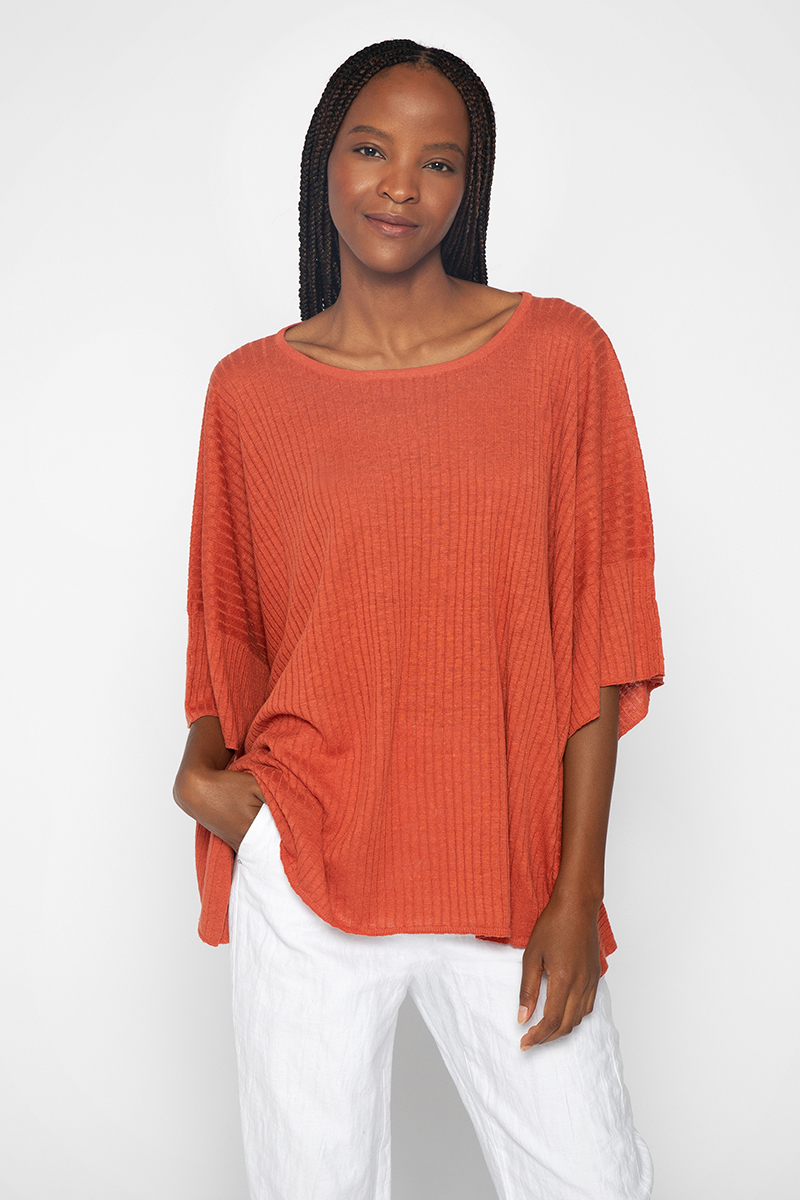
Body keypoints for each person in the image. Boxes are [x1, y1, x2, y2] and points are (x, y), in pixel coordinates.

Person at [173, 37, 664, 1200]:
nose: (399, 184)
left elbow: (598, 638)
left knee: (593, 1181)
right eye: (370, 148)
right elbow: (229, 628)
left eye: (437, 161)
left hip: (503, 867)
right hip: (307, 860)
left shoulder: (560, 358)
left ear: (468, 185)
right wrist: (205, 777)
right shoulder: (248, 392)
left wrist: (574, 891)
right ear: (324, 162)